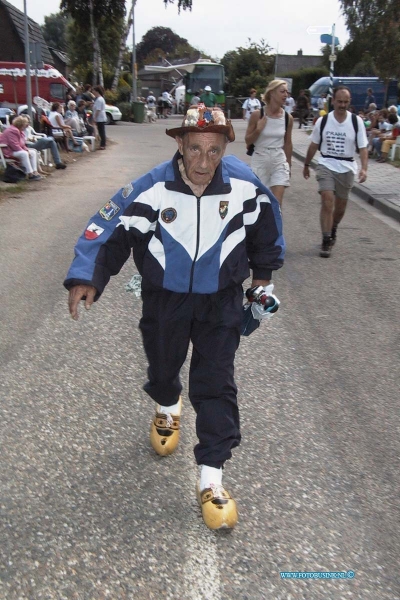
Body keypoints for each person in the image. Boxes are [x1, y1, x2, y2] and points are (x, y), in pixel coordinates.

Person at [64, 104, 285, 531]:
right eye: (196, 149)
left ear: (225, 150)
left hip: (220, 301)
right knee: (164, 366)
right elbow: (107, 229)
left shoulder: (244, 185)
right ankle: (167, 405)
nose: (204, 162)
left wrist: (263, 281)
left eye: (215, 151)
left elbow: (266, 231)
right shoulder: (151, 188)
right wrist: (87, 275)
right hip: (164, 299)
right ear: (180, 144)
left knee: (216, 381)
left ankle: (212, 478)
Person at [303, 86, 368, 258]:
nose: (342, 105)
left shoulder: (356, 122)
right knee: (327, 199)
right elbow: (314, 144)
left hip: (347, 167)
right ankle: (326, 240)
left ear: (349, 102)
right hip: (326, 163)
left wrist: (364, 168)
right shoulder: (324, 121)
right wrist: (306, 164)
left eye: (346, 102)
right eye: (339, 101)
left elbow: (362, 148)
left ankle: (333, 227)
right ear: (333, 101)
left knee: (340, 207)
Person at [245, 79, 293, 206]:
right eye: (282, 91)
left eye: (287, 92)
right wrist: (258, 129)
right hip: (260, 157)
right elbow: (247, 140)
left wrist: (289, 165)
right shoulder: (257, 115)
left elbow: (288, 143)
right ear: (272, 93)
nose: (286, 95)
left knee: (276, 204)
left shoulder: (288, 118)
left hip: (278, 159)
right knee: (260, 203)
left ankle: (276, 226)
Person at [0, 115, 43, 180]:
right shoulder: (12, 130)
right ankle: (30, 174)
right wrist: (25, 151)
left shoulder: (20, 131)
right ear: (20, 124)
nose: (27, 125)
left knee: (33, 152)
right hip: (8, 151)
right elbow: (14, 145)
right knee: (24, 154)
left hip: (15, 150)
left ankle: (35, 171)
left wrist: (27, 150)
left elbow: (22, 144)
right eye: (26, 124)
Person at [92, 85, 107, 150]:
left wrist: (94, 118)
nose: (93, 92)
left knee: (101, 131)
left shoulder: (99, 99)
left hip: (100, 118)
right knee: (101, 131)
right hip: (101, 117)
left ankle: (103, 144)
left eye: (94, 91)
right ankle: (102, 143)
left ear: (97, 91)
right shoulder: (99, 99)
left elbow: (98, 110)